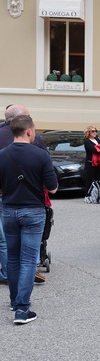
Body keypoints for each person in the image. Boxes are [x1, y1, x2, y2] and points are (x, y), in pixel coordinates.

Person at [0, 115, 58, 324]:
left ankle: (15, 301)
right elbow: (53, 187)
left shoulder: (2, 155)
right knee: (27, 261)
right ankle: (22, 310)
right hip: (33, 211)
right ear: (29, 131)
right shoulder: (41, 155)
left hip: (8, 211)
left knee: (12, 258)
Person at [0, 105, 48, 285]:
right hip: (31, 200)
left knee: (5, 243)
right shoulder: (35, 140)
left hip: (7, 201)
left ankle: (8, 276)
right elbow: (50, 181)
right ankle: (22, 301)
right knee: (29, 248)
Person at [83, 125, 100, 196]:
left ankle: (97, 193)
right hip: (90, 163)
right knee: (89, 179)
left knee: (97, 179)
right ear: (89, 132)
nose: (94, 133)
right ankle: (87, 195)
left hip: (98, 162)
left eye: (95, 131)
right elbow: (94, 150)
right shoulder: (87, 141)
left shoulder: (97, 139)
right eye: (93, 131)